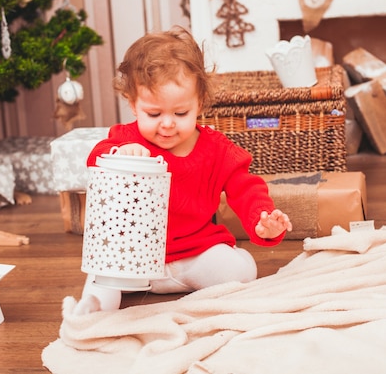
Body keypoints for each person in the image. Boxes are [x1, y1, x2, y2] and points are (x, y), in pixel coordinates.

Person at [74, 26, 292, 314]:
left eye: (180, 113)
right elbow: (96, 158)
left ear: (199, 103)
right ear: (133, 105)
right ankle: (93, 314)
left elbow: (246, 187)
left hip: (194, 253)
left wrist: (261, 219)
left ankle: (184, 280)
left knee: (243, 269)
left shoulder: (218, 149)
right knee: (104, 277)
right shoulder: (125, 139)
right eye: (154, 114)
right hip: (134, 258)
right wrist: (119, 154)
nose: (167, 124)